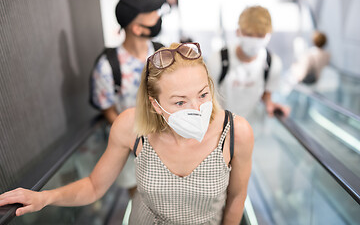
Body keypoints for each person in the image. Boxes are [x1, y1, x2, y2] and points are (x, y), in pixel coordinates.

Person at [0, 42, 254, 224]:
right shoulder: (131, 127)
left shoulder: (236, 132)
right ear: (155, 104)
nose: (197, 109)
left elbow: (236, 197)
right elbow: (94, 186)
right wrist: (45, 197)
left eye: (202, 94)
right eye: (179, 102)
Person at [90, 0, 171, 196]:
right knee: (139, 199)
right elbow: (108, 110)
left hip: (168, 144)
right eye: (151, 12)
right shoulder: (107, 67)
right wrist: (134, 141)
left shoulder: (163, 54)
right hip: (132, 152)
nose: (157, 16)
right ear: (136, 28)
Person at [207, 5, 290, 119]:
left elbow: (267, 96)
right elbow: (207, 98)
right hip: (223, 129)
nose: (254, 40)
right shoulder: (218, 60)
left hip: (254, 130)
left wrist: (271, 105)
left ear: (269, 35)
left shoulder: (272, 64)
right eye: (249, 34)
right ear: (238, 32)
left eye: (260, 35)